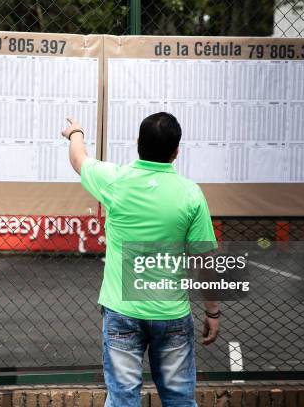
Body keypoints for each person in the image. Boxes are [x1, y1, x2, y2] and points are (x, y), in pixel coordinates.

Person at [61, 113, 220, 407]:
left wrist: (76, 132)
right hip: (172, 313)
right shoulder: (190, 194)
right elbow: (205, 261)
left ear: (137, 143)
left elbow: (78, 159)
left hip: (122, 312)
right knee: (180, 401)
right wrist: (212, 312)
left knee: (122, 399)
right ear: (176, 152)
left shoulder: (115, 181)